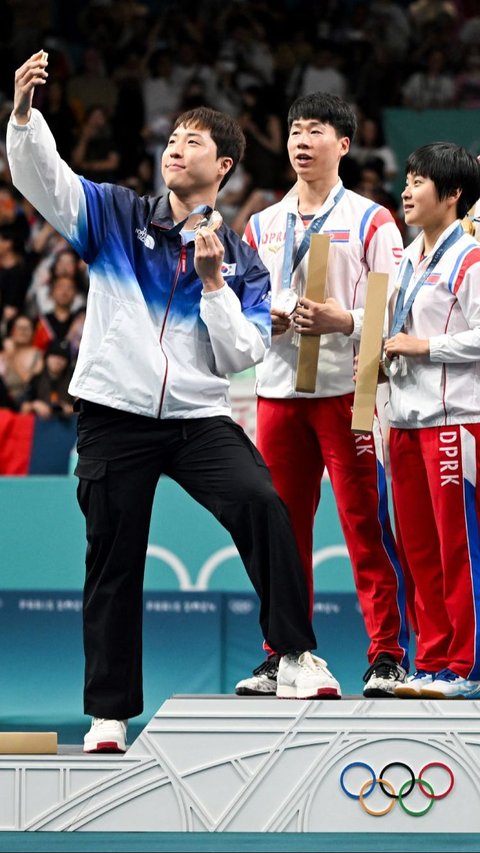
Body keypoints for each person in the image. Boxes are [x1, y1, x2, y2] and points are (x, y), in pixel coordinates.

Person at [7, 50, 341, 754]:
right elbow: (49, 183)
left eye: (192, 141)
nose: (174, 149)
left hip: (197, 420)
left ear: (223, 166)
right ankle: (108, 713)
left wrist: (216, 284)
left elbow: (241, 355)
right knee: (113, 559)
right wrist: (24, 118)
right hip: (114, 413)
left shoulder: (243, 259)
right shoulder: (115, 215)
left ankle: (294, 653)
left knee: (262, 501)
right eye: (170, 139)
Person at [236, 91, 409, 699]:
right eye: (295, 131)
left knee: (365, 524)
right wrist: (270, 319)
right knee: (282, 531)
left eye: (316, 131)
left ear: (344, 143)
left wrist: (346, 321)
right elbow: (244, 302)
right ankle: (284, 652)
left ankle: (387, 653)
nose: (302, 141)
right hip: (279, 393)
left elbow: (394, 305)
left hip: (350, 392)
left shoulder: (371, 219)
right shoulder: (261, 224)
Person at [381, 142, 480, 699]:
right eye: (408, 179)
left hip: (454, 420)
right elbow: (388, 319)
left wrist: (425, 346)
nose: (407, 191)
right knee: (418, 551)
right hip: (405, 422)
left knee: (458, 549)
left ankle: (468, 667)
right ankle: (435, 661)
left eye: (420, 181)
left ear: (453, 195)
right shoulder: (405, 259)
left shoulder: (470, 259)